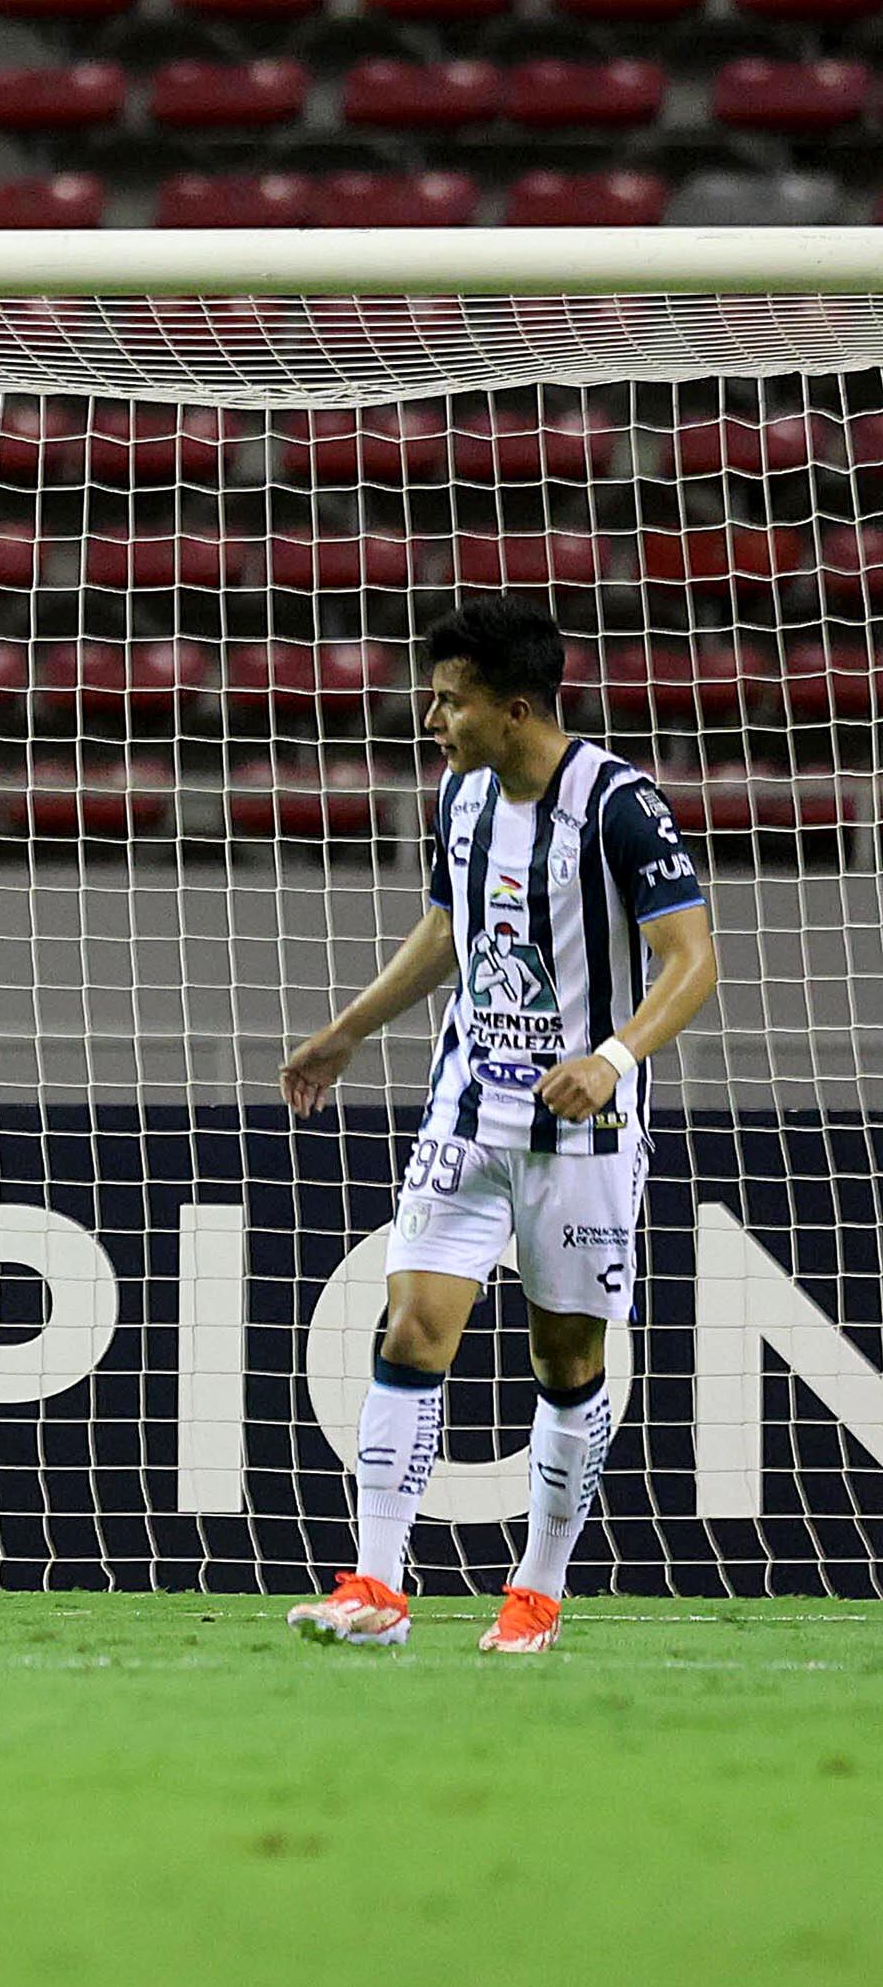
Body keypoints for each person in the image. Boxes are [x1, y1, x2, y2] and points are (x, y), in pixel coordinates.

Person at [280, 596, 719, 1654]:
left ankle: (536, 1589)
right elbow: (449, 923)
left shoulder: (619, 803)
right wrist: (348, 1027)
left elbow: (691, 960)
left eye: (450, 701)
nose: (431, 717)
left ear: (514, 708)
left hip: (583, 1132)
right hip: (466, 1109)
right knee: (410, 1326)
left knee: (564, 1359)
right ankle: (375, 1586)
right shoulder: (459, 794)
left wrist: (610, 1058)